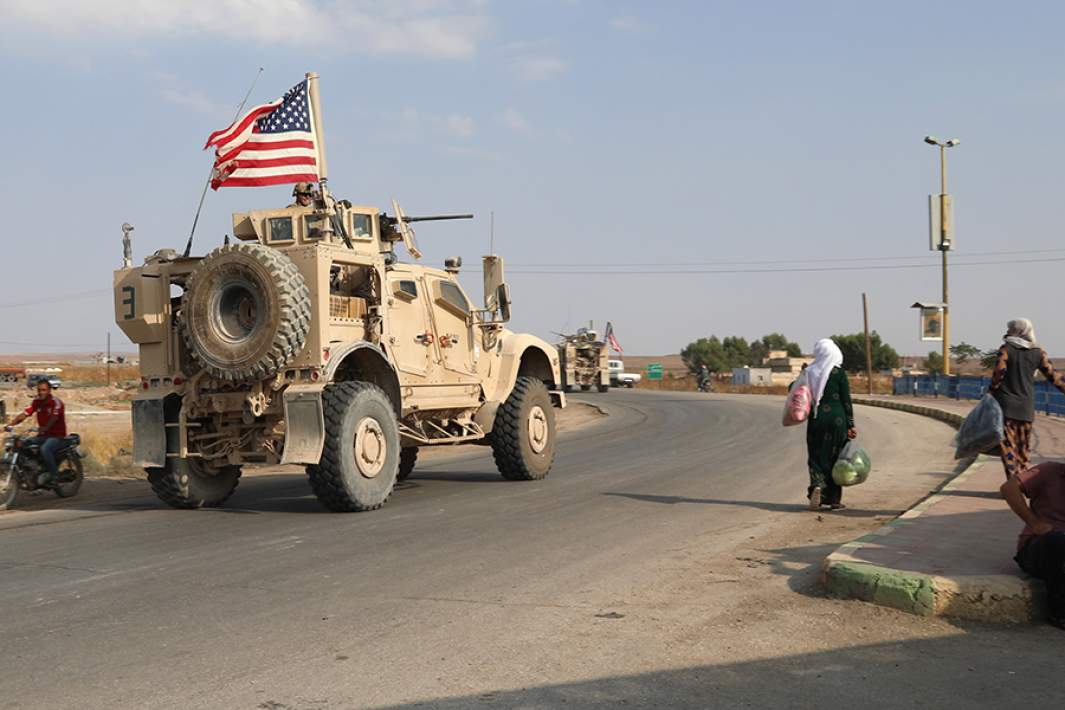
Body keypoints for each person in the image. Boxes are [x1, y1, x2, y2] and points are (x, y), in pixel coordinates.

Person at [988, 319, 1065, 479]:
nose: (1007, 331)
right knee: (1023, 450)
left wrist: (990, 392)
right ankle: (1023, 483)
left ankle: (1013, 485)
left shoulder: (1006, 349)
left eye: (1010, 328)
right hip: (1026, 408)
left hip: (1006, 407)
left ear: (1015, 331)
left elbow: (999, 374)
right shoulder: (1038, 352)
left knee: (1009, 448)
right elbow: (1053, 376)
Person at [1001, 463, 1065, 629]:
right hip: (1040, 549)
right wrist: (1034, 522)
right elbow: (1009, 488)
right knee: (1057, 541)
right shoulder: (1050, 471)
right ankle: (1059, 612)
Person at [805, 339, 856, 510]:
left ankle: (817, 485)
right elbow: (846, 400)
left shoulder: (808, 372)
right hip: (837, 419)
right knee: (835, 457)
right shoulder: (838, 373)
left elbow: (794, 390)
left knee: (816, 455)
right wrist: (851, 424)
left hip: (817, 418)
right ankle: (834, 500)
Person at [5, 379, 67, 486]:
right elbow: (25, 414)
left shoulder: (56, 402)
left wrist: (45, 427)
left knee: (45, 449)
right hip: (43, 435)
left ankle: (54, 476)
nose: (41, 392)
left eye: (44, 390)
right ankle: (32, 473)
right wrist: (11, 424)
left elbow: (54, 417)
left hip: (57, 436)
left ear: (49, 390)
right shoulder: (36, 402)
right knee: (23, 444)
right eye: (39, 390)